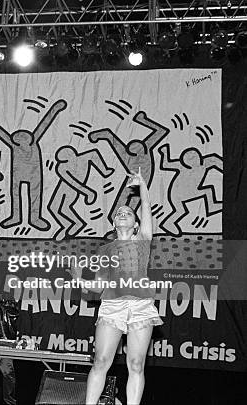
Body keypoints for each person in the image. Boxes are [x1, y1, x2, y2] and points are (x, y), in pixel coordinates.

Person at [68, 168, 162, 405]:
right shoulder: (104, 251)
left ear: (136, 224)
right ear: (113, 222)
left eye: (128, 213)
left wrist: (142, 188)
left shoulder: (142, 241)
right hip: (112, 306)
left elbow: (147, 212)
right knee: (100, 361)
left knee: (136, 364)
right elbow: (99, 287)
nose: (123, 214)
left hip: (140, 306)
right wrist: (80, 279)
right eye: (119, 213)